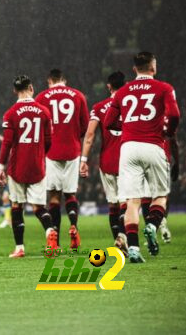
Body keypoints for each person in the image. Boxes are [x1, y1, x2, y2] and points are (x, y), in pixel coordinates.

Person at [104, 52, 180, 263]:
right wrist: (167, 132)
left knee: (132, 202)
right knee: (160, 196)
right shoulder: (164, 88)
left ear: (135, 69)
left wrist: (129, 127)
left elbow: (109, 122)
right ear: (153, 68)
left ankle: (134, 249)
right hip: (153, 145)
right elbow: (174, 115)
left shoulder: (122, 92)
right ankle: (152, 226)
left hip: (128, 148)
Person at [0, 75, 58, 258]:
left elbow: (7, 143)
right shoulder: (44, 111)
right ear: (31, 88)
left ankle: (20, 248)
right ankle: (49, 231)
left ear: (15, 91)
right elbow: (49, 141)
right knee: (39, 207)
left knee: (16, 206)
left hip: (17, 166)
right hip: (38, 166)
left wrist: (1, 167)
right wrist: (39, 153)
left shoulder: (11, 113)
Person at [35, 69, 88, 248]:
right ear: (64, 80)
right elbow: (84, 126)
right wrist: (73, 136)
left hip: (52, 152)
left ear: (50, 81)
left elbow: (38, 126)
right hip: (73, 150)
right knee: (70, 194)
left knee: (54, 197)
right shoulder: (78, 95)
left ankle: (55, 240)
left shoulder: (42, 97)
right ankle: (73, 226)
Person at [79, 71, 129, 255]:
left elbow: (90, 135)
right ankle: (122, 238)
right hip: (127, 160)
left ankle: (118, 240)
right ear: (125, 85)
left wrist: (83, 160)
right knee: (127, 204)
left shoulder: (99, 107)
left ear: (109, 86)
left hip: (107, 160)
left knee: (113, 204)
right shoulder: (131, 105)